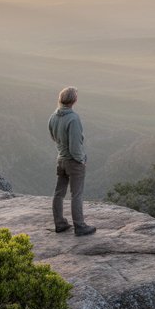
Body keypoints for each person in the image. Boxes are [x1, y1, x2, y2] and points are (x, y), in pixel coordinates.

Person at [49, 86, 95, 236]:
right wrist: (81, 160)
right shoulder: (73, 119)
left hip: (61, 159)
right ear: (74, 100)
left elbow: (54, 137)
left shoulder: (53, 117)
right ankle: (80, 227)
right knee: (76, 194)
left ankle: (60, 223)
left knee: (59, 193)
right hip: (73, 162)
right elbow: (75, 146)